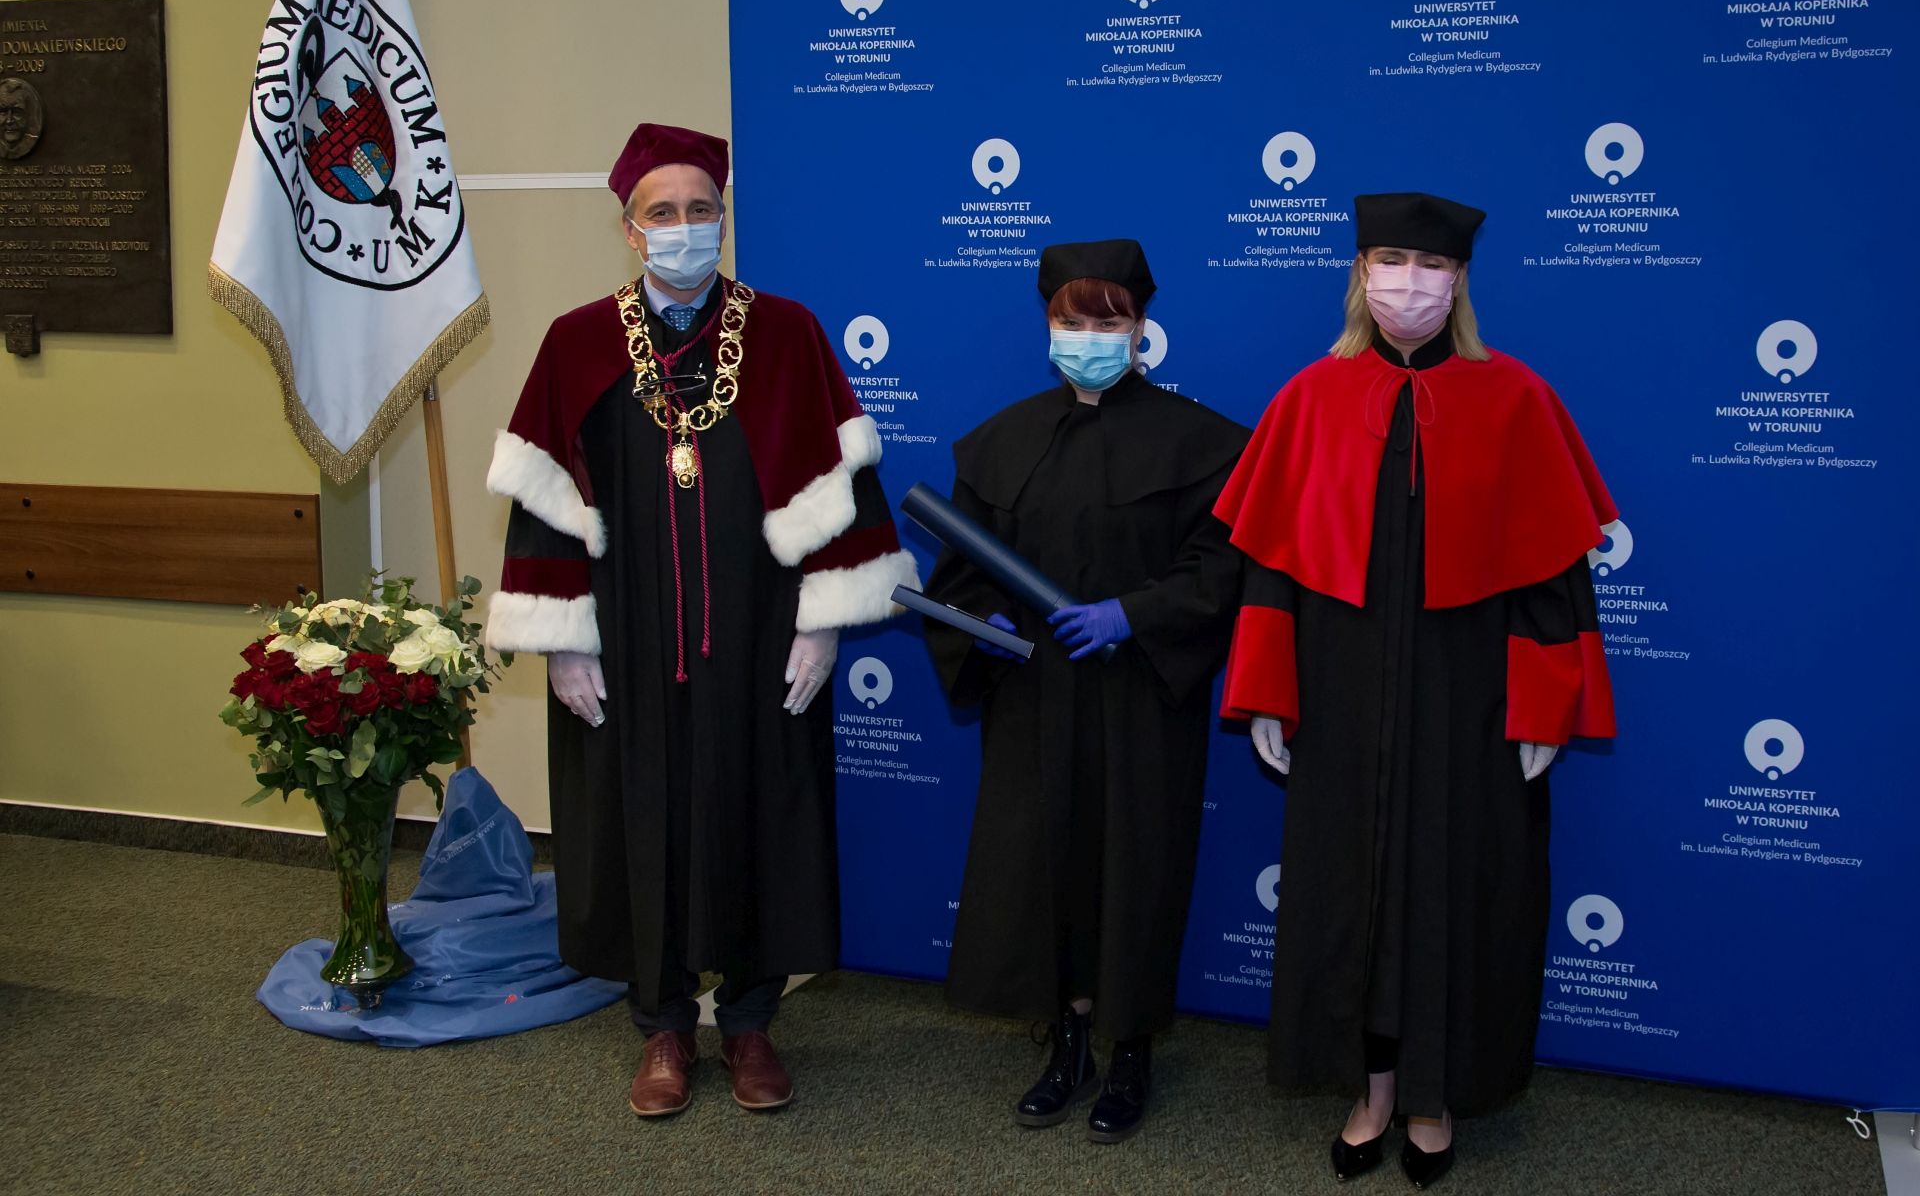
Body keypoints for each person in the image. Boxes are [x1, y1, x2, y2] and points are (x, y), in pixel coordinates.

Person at [484, 122, 918, 1118]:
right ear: (630, 228)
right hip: (628, 634)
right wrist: (561, 641)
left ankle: (753, 1021)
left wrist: (823, 621)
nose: (684, 226)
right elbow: (543, 502)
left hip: (761, 631)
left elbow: (839, 487)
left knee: (762, 805)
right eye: (662, 212)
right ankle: (665, 1024)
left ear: (723, 218)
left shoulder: (788, 334)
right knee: (643, 815)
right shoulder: (577, 342)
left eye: (701, 209)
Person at [1214, 193, 1616, 1187]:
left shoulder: (1515, 397)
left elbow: (1553, 577)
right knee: (1352, 891)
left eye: (1431, 265)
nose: (1410, 282)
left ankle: (1437, 1097)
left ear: (1460, 280)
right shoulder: (1311, 396)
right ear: (1361, 272)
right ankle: (1374, 1087)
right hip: (1343, 695)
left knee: (1461, 889)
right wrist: (1268, 691)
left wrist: (1544, 703)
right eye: (1390, 260)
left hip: (1468, 699)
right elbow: (1272, 567)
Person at [920, 239, 1248, 1143]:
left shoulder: (1205, 444)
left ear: (1140, 328)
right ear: (1047, 323)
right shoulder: (999, 442)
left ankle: (1130, 1047)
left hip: (1141, 693)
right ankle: (1066, 1039)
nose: (1090, 337)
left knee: (1137, 866)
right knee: (1044, 864)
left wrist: (1131, 615)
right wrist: (990, 624)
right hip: (1034, 696)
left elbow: (1219, 571)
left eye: (1110, 322)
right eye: (1072, 320)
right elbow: (959, 578)